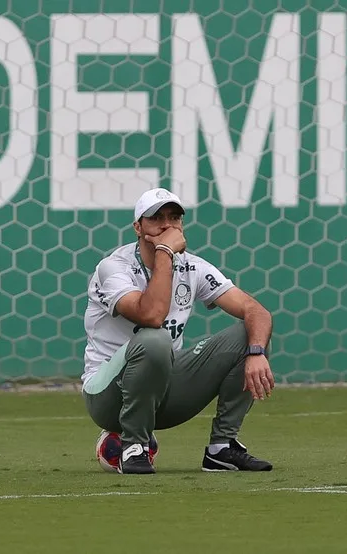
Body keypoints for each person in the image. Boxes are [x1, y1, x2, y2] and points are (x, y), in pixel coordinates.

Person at [82, 188, 276, 474]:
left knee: (251, 333)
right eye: (156, 218)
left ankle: (221, 448)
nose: (167, 225)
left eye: (174, 218)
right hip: (108, 396)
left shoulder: (193, 267)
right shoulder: (113, 268)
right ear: (138, 227)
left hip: (164, 391)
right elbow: (151, 315)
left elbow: (256, 311)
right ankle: (134, 445)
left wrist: (257, 353)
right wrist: (165, 252)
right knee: (154, 338)